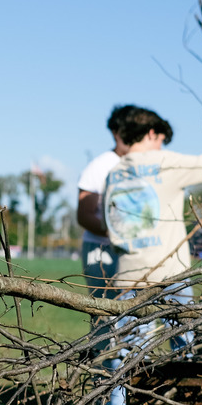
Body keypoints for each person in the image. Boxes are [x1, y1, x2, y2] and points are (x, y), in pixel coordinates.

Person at [99, 104, 202, 405]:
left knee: (127, 350)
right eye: (159, 137)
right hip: (170, 273)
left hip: (128, 274)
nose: (162, 143)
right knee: (182, 346)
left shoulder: (114, 174)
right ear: (149, 133)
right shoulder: (164, 161)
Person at [75, 105, 137, 298]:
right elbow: (84, 216)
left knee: (137, 316)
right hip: (100, 250)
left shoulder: (145, 164)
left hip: (136, 252)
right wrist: (117, 234)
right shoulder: (100, 166)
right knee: (105, 317)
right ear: (115, 132)